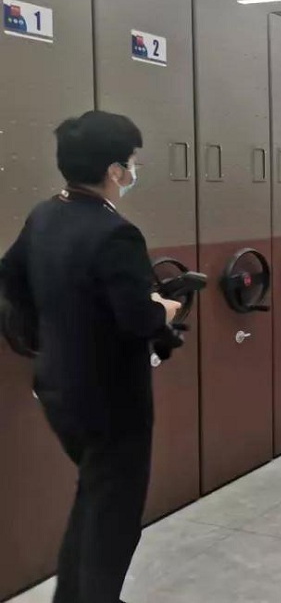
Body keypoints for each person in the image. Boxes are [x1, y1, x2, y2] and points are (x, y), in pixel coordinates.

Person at [0, 111, 181, 603]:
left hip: (58, 388)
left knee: (94, 500)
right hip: (111, 401)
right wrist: (164, 309)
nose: (133, 171)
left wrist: (53, 330)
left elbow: (11, 279)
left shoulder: (44, 215)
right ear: (114, 170)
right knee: (114, 520)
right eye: (131, 162)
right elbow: (137, 318)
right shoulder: (115, 232)